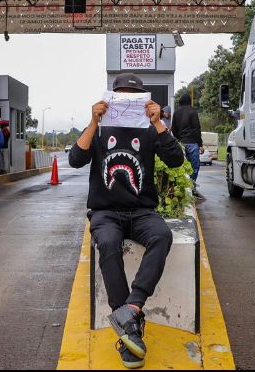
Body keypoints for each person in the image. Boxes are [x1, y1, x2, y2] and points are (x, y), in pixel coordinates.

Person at [69, 72, 184, 369]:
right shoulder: (99, 127)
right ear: (109, 98)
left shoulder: (148, 129)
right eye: (120, 95)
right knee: (107, 242)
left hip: (142, 211)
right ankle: (131, 330)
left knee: (162, 235)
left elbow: (175, 160)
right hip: (105, 212)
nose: (126, 102)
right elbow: (75, 160)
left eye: (133, 97)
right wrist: (94, 121)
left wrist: (158, 122)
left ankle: (131, 309)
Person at [171, 93, 204, 197]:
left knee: (181, 167)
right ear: (190, 101)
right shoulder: (193, 111)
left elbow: (174, 129)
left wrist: (178, 139)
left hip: (181, 143)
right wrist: (200, 144)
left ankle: (182, 189)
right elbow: (196, 128)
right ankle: (192, 187)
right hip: (193, 143)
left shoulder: (176, 112)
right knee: (194, 167)